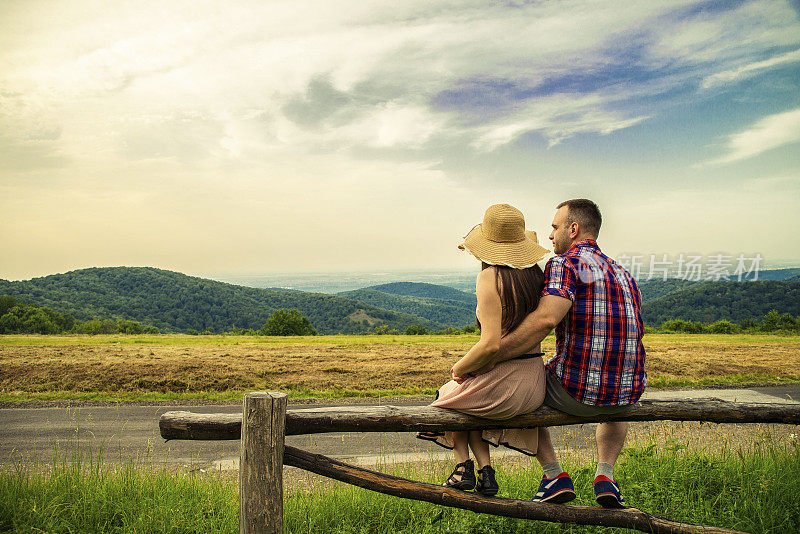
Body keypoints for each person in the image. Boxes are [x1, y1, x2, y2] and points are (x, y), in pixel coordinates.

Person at [487, 198, 647, 508]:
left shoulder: (565, 263)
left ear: (573, 229)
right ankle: (606, 476)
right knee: (613, 390)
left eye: (555, 227)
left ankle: (553, 475)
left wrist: (497, 353)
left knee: (518, 387)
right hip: (626, 395)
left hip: (576, 393)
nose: (550, 235)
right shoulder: (624, 272)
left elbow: (546, 319)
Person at [417, 203, 550, 496]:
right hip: (534, 383)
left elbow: (490, 344)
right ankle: (485, 473)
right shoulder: (536, 276)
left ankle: (462, 467)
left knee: (447, 394)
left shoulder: (490, 277)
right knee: (468, 403)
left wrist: (459, 368)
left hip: (504, 385)